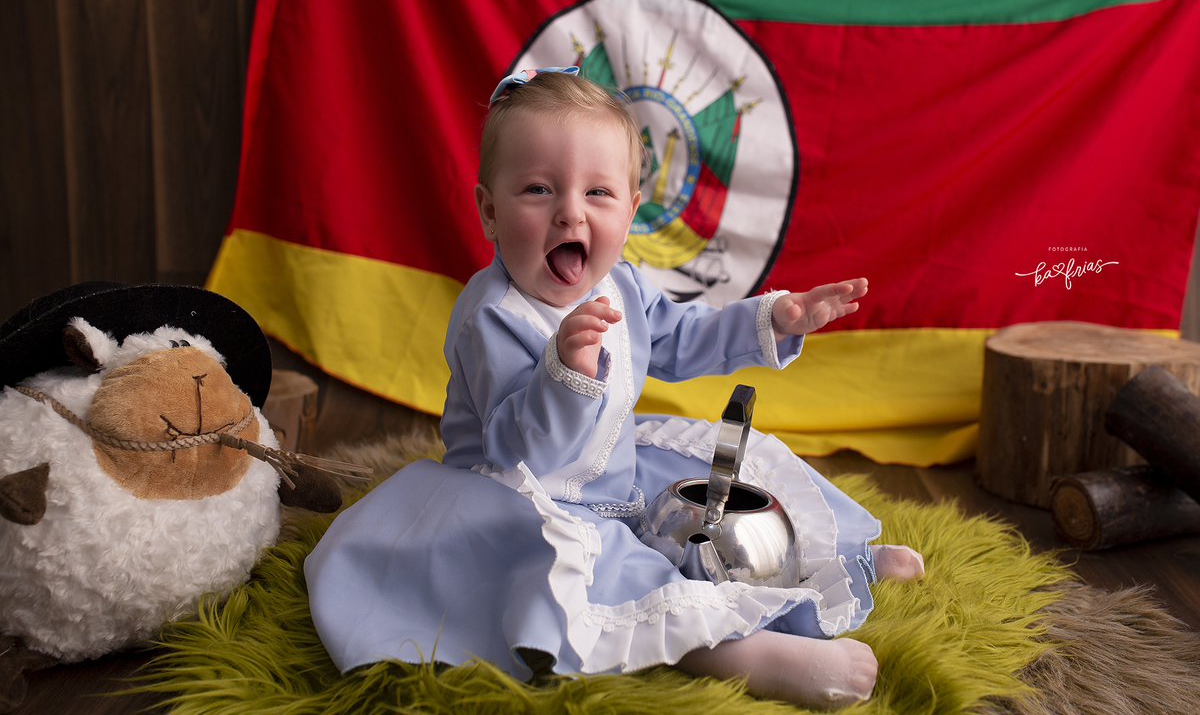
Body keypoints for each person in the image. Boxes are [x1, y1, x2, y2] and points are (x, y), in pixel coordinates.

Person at [305, 68, 924, 710]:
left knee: (727, 481)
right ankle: (742, 654)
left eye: (597, 192)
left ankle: (829, 563)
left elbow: (685, 338)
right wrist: (566, 371)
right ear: (490, 210)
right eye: (538, 189)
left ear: (630, 210)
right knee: (618, 578)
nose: (570, 211)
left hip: (614, 474)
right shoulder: (494, 315)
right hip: (518, 501)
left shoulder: (620, 285)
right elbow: (524, 448)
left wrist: (771, 320)